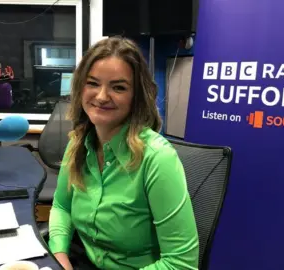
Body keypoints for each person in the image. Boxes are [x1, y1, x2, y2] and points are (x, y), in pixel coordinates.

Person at [48, 36, 199, 270]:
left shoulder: (158, 158)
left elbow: (181, 263)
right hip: (83, 260)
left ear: (136, 96)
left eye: (118, 87)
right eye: (93, 83)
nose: (101, 96)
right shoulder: (78, 141)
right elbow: (61, 206)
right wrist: (60, 257)